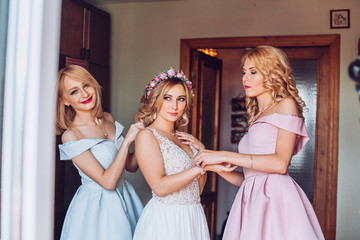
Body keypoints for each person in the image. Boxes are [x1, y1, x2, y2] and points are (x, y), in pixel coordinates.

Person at [195, 46, 325, 240]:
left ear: (272, 73)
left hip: (276, 202)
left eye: (253, 72)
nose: (245, 78)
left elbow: (280, 164)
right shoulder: (257, 116)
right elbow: (250, 180)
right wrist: (213, 165)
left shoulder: (286, 105)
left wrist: (224, 154)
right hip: (251, 201)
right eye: (244, 72)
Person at [132, 67, 233, 240]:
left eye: (181, 99)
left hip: (193, 215)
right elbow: (160, 187)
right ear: (155, 100)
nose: (175, 106)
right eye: (167, 98)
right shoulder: (147, 135)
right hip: (166, 220)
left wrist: (201, 149)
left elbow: (198, 190)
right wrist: (202, 166)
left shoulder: (185, 138)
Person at [56, 65, 143, 240]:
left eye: (86, 85)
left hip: (126, 196)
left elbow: (131, 166)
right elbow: (108, 183)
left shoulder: (108, 118)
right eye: (74, 92)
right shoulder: (71, 135)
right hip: (98, 207)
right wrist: (127, 142)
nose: (85, 94)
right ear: (64, 101)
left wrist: (145, 134)